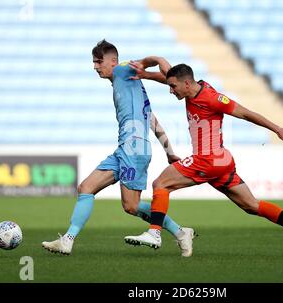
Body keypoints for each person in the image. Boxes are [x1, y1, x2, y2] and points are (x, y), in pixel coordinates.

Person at [124, 58, 283, 255]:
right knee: (251, 205)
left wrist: (277, 129)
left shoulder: (211, 98)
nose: (171, 90)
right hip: (222, 163)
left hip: (207, 160)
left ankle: (155, 232)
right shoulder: (189, 86)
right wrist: (146, 73)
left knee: (160, 184)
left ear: (186, 83)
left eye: (173, 87)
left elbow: (245, 113)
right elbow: (166, 72)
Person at [41, 40, 196, 257]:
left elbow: (147, 63)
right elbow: (152, 121)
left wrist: (159, 60)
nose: (95, 66)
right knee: (86, 188)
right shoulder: (131, 86)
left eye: (98, 61)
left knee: (131, 206)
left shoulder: (123, 70)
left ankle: (180, 233)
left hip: (134, 151)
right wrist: (169, 152)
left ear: (113, 61)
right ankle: (67, 240)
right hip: (124, 150)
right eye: (94, 62)